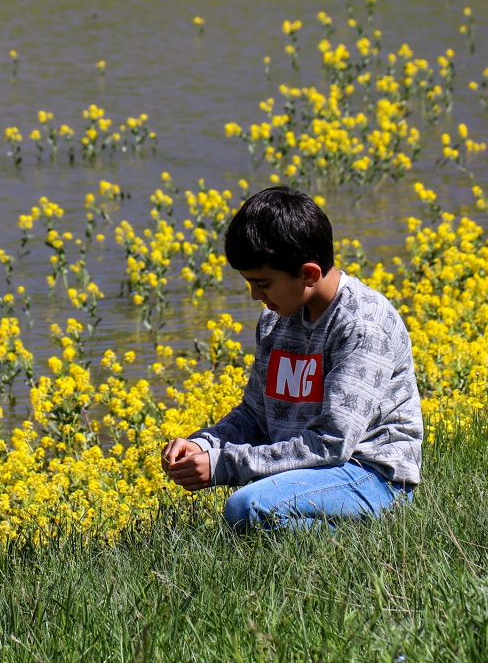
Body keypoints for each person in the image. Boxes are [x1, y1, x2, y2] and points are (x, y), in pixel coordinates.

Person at [159, 186, 422, 529]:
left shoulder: (362, 324)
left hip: (371, 476)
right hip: (312, 474)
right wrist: (202, 444)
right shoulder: (276, 318)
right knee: (252, 511)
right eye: (249, 283)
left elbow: (332, 444)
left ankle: (367, 533)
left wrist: (222, 465)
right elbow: (255, 416)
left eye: (263, 283)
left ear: (309, 274)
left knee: (246, 508)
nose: (255, 296)